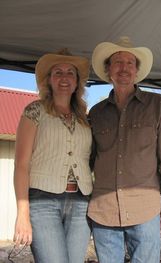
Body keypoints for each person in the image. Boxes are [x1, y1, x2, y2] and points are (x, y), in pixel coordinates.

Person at [88, 36, 161, 263]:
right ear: (108, 70)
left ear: (136, 71)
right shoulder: (95, 113)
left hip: (146, 212)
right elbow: (86, 162)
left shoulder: (157, 105)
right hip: (103, 213)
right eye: (118, 62)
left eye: (130, 63)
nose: (124, 68)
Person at [13, 49, 93, 262]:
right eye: (58, 72)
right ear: (48, 80)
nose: (64, 77)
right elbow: (21, 165)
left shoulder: (85, 118)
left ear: (77, 82)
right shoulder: (34, 111)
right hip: (43, 202)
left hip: (81, 203)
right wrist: (22, 214)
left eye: (70, 73)